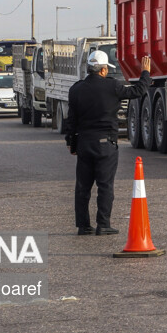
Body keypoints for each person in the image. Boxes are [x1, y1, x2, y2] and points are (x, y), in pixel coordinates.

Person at [63, 51, 152, 235]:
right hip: (106, 144)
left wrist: (72, 143)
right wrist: (145, 73)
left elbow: (71, 121)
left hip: (84, 144)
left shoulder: (76, 89)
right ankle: (103, 224)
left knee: (82, 187)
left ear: (89, 68)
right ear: (104, 70)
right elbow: (138, 91)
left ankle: (83, 225)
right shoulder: (112, 86)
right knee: (105, 186)